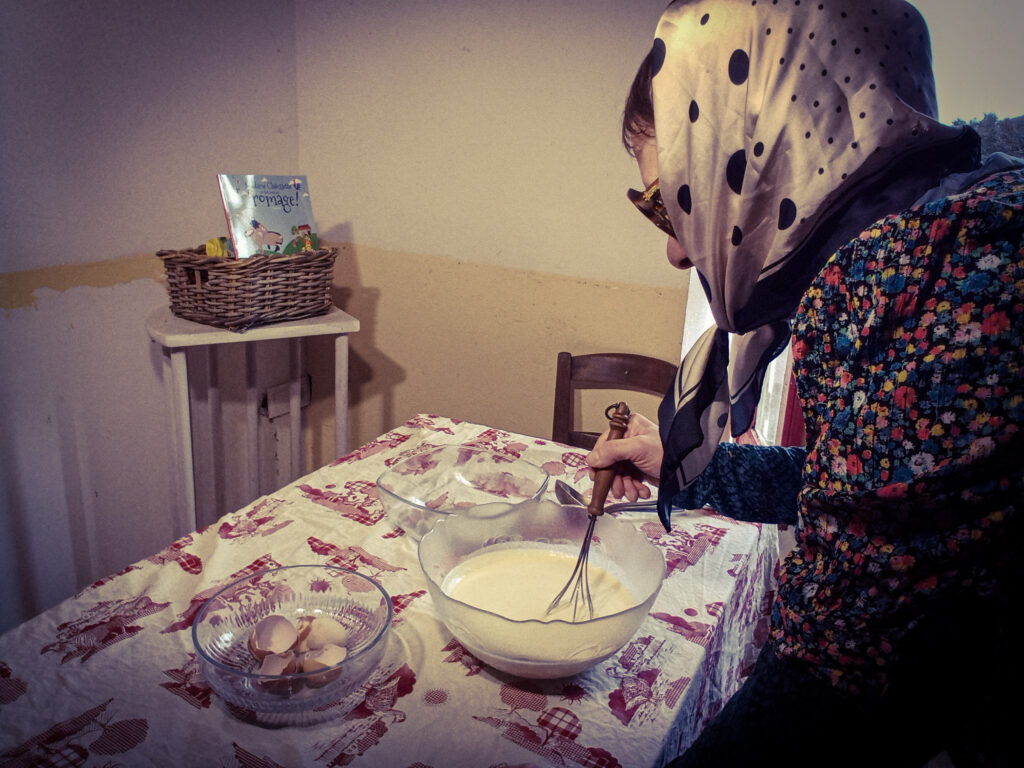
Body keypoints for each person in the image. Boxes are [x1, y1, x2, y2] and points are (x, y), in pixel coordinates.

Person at [589, 1, 1023, 765]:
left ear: (765, 150)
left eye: (671, 200)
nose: (674, 252)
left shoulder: (931, 284)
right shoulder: (910, 245)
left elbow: (842, 671)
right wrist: (687, 467)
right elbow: (855, 488)